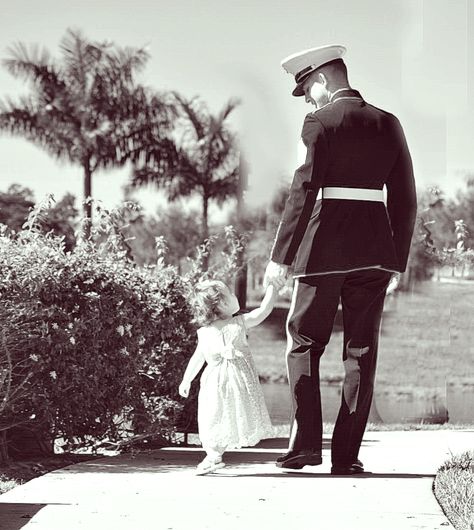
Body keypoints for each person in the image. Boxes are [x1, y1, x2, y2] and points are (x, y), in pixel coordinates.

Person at [264, 44, 417, 474]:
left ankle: (305, 447)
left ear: (322, 80)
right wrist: (397, 261)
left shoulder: (318, 122)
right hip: (374, 256)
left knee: (304, 344)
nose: (308, 100)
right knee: (362, 352)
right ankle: (346, 458)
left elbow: (303, 190)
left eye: (306, 90)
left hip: (322, 252)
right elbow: (405, 197)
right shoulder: (389, 123)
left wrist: (280, 257)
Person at [178, 279, 282, 475]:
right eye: (231, 294)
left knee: (233, 414)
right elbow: (198, 358)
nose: (236, 296)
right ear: (222, 304)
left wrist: (272, 289)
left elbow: (263, 311)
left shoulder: (240, 322)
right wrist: (187, 379)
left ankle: (215, 455)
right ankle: (212, 455)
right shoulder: (205, 332)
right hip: (214, 384)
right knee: (212, 416)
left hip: (238, 382)